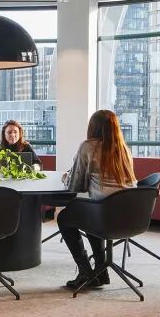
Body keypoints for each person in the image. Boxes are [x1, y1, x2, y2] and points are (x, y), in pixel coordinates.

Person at [57, 109, 138, 289]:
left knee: (64, 217)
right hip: (131, 217)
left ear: (93, 127)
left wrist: (66, 177)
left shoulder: (88, 147)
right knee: (92, 212)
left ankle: (85, 272)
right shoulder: (124, 149)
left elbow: (75, 185)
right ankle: (101, 272)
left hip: (105, 215)